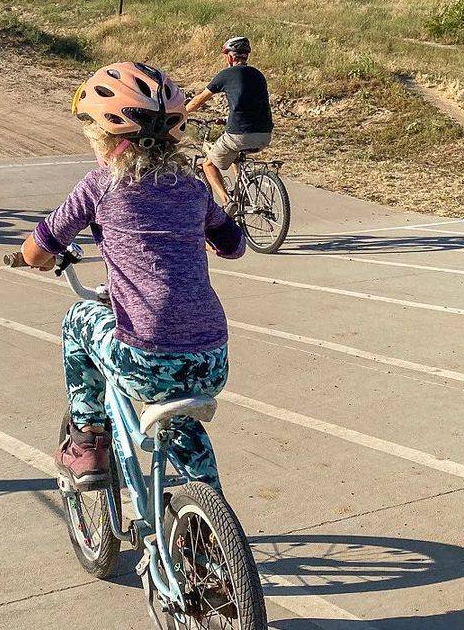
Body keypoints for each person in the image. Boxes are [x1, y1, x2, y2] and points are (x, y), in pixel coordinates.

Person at [17, 62, 245, 493]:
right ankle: (208, 533)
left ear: (104, 137)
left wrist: (38, 259)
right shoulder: (194, 186)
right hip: (211, 359)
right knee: (181, 423)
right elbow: (234, 246)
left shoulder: (100, 185)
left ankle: (87, 440)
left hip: (146, 357)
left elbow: (37, 250)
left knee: (78, 319)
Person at [183, 36, 273, 206]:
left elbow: (198, 101)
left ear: (230, 57)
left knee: (208, 164)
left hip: (240, 134)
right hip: (264, 134)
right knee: (235, 154)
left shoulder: (226, 75)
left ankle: (227, 202)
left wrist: (180, 113)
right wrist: (227, 119)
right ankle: (242, 193)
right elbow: (251, 103)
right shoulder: (258, 75)